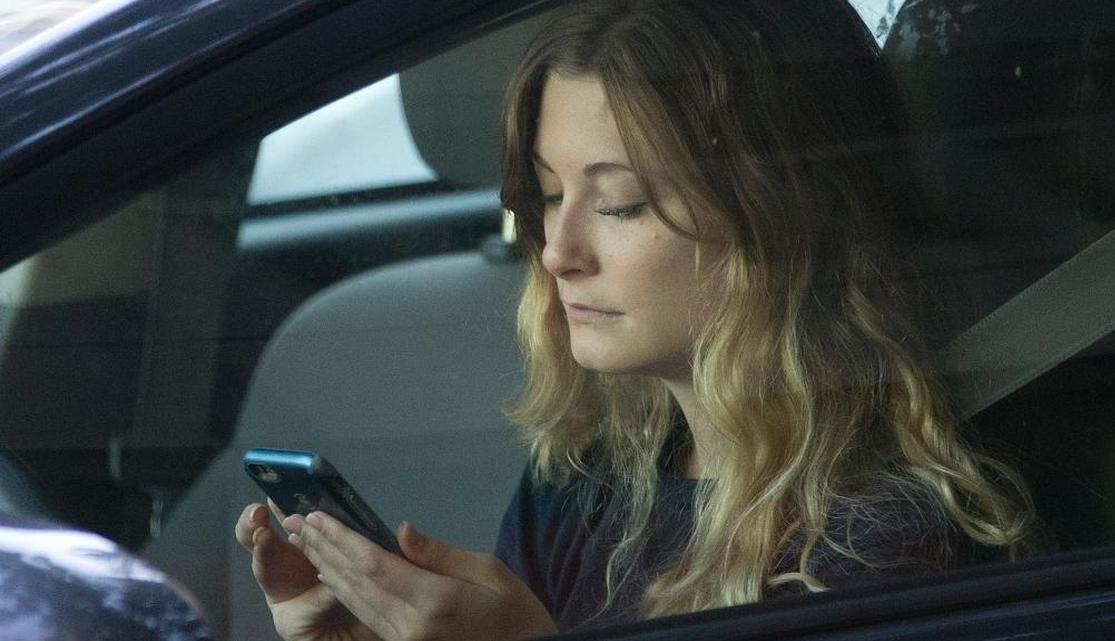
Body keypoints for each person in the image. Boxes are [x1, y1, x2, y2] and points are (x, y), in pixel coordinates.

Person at [234, 0, 1038, 638]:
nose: (558, 251)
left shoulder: (879, 546)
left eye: (621, 203)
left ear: (777, 220)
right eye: (549, 197)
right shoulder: (582, 482)